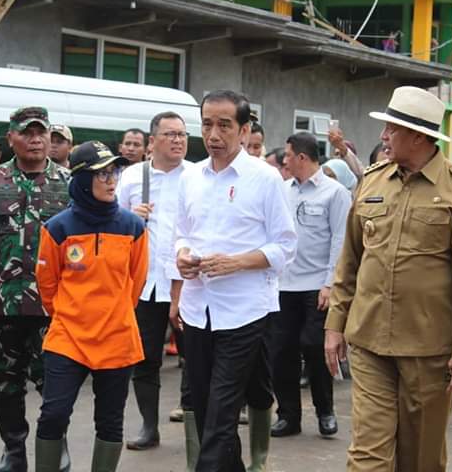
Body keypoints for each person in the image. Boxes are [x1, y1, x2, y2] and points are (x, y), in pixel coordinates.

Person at [325, 86, 452, 472]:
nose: (383, 137)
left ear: (418, 136)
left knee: (421, 459)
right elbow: (350, 260)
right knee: (367, 455)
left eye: (392, 130)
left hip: (429, 349)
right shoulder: (372, 180)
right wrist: (335, 324)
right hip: (368, 340)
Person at [175, 89, 297, 472]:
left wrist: (237, 263)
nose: (214, 134)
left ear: (244, 130)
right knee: (206, 404)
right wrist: (182, 257)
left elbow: (285, 247)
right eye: (207, 124)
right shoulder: (190, 176)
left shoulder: (265, 179)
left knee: (223, 409)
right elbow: (181, 234)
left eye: (224, 125)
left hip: (244, 313)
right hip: (198, 310)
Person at [34, 141, 148, 472]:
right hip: (68, 336)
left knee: (110, 421)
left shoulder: (133, 227)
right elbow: (47, 284)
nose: (112, 180)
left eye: (114, 171)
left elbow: (136, 282)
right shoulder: (58, 228)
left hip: (117, 337)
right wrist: (72, 315)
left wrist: (113, 313)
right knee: (53, 414)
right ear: (82, 180)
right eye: (102, 174)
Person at [0, 107, 72, 472]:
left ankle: (55, 450)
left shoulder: (69, 183)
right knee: (4, 385)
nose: (36, 138)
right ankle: (13, 452)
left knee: (55, 386)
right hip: (1, 305)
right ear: (11, 138)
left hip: (53, 309)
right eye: (27, 132)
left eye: (41, 132)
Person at [116, 111, 194, 451]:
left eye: (182, 134)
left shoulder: (199, 176)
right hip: (145, 284)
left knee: (194, 355)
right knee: (145, 359)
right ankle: (149, 426)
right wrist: (130, 218)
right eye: (170, 134)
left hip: (188, 283)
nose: (178, 140)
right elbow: (113, 223)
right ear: (153, 141)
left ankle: (195, 422)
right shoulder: (133, 177)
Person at [270, 132, 351, 439]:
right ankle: (288, 415)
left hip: (317, 285)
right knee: (282, 352)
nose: (284, 160)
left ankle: (325, 412)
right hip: (283, 285)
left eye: (288, 155)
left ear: (301, 157)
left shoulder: (335, 193)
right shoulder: (282, 191)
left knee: (315, 348)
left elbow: (340, 241)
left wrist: (330, 283)